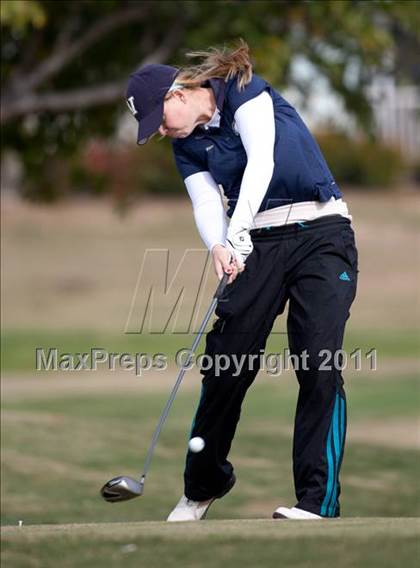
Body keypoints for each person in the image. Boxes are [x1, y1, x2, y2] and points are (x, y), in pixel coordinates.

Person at [125, 40, 358, 521]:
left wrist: (237, 232)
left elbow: (262, 164)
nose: (163, 132)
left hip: (322, 231)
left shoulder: (242, 91)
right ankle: (201, 487)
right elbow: (206, 202)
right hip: (260, 245)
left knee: (318, 362)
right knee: (225, 366)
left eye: (160, 119)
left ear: (178, 94)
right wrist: (219, 245)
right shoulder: (187, 143)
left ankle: (317, 503)